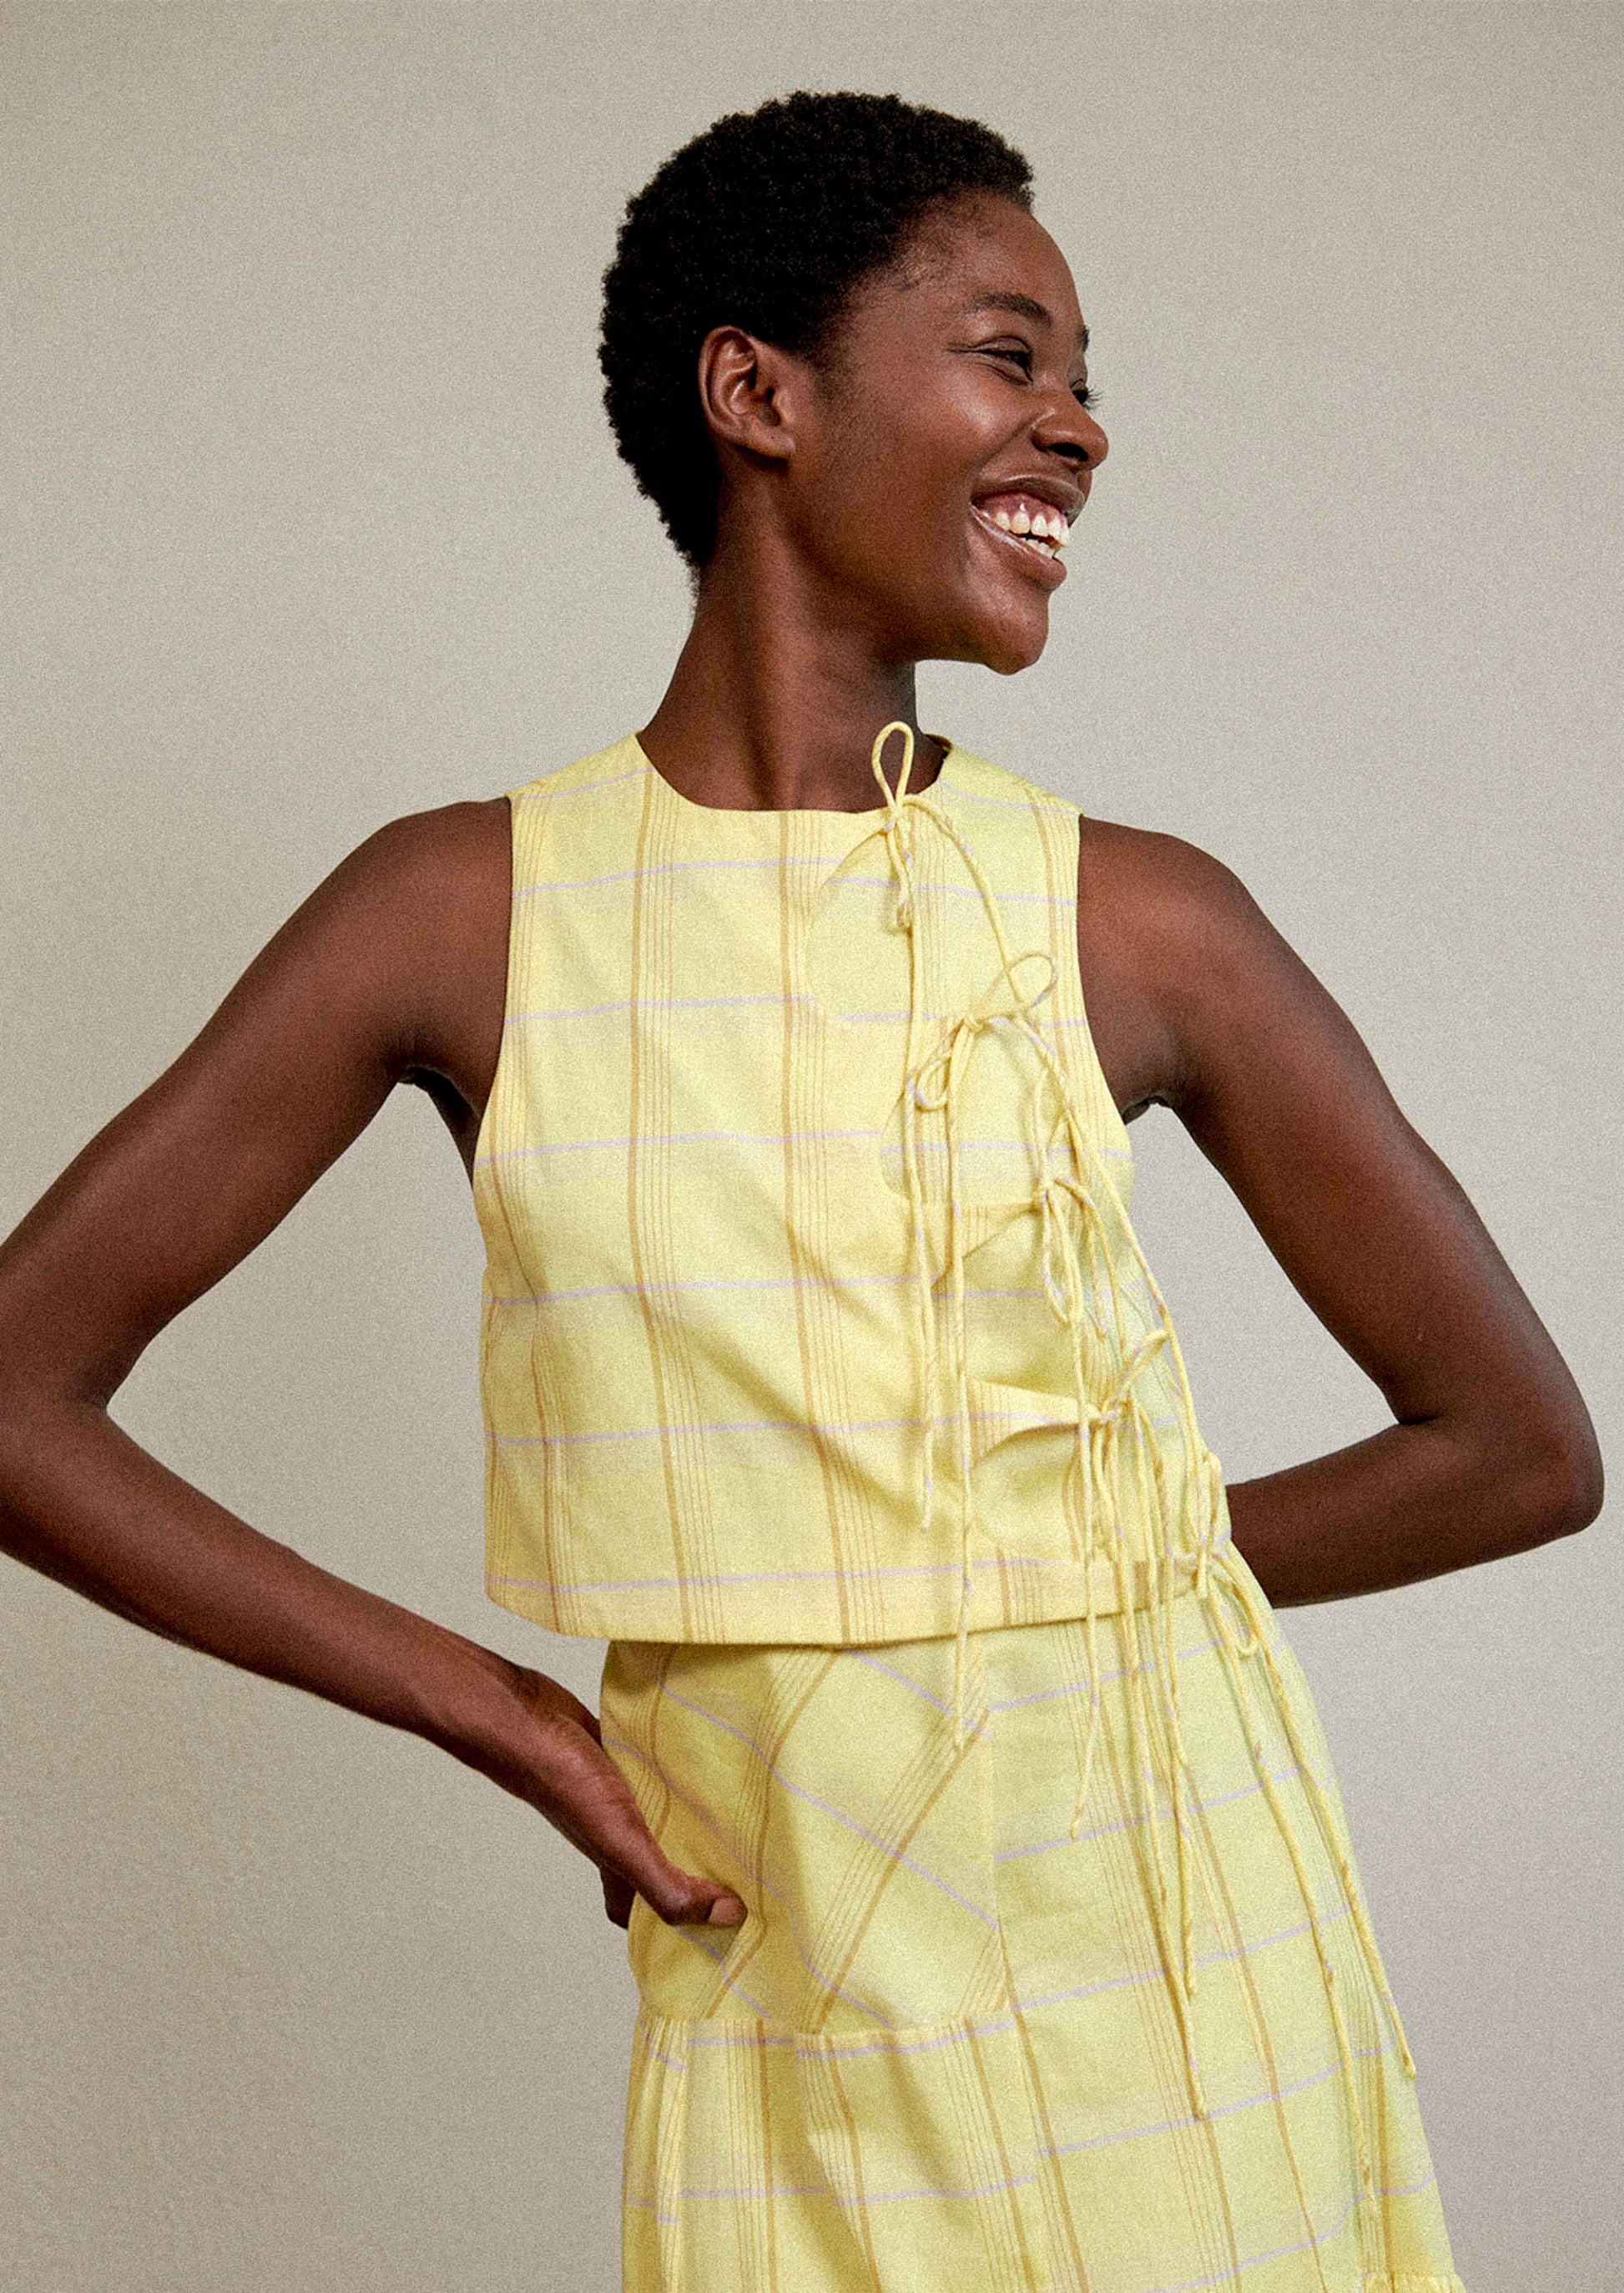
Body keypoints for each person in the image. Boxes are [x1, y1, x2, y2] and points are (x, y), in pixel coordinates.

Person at [0, 88, 1600, 2293]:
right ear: (756, 392)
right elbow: (18, 1397)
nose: (1077, 428)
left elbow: (1518, 1448)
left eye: (1082, 379)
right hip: (786, 1988)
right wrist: (505, 1712)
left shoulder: (1139, 926)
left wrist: (1077, 1580)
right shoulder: (460, 911)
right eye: (1006, 352)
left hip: (1181, 1978)